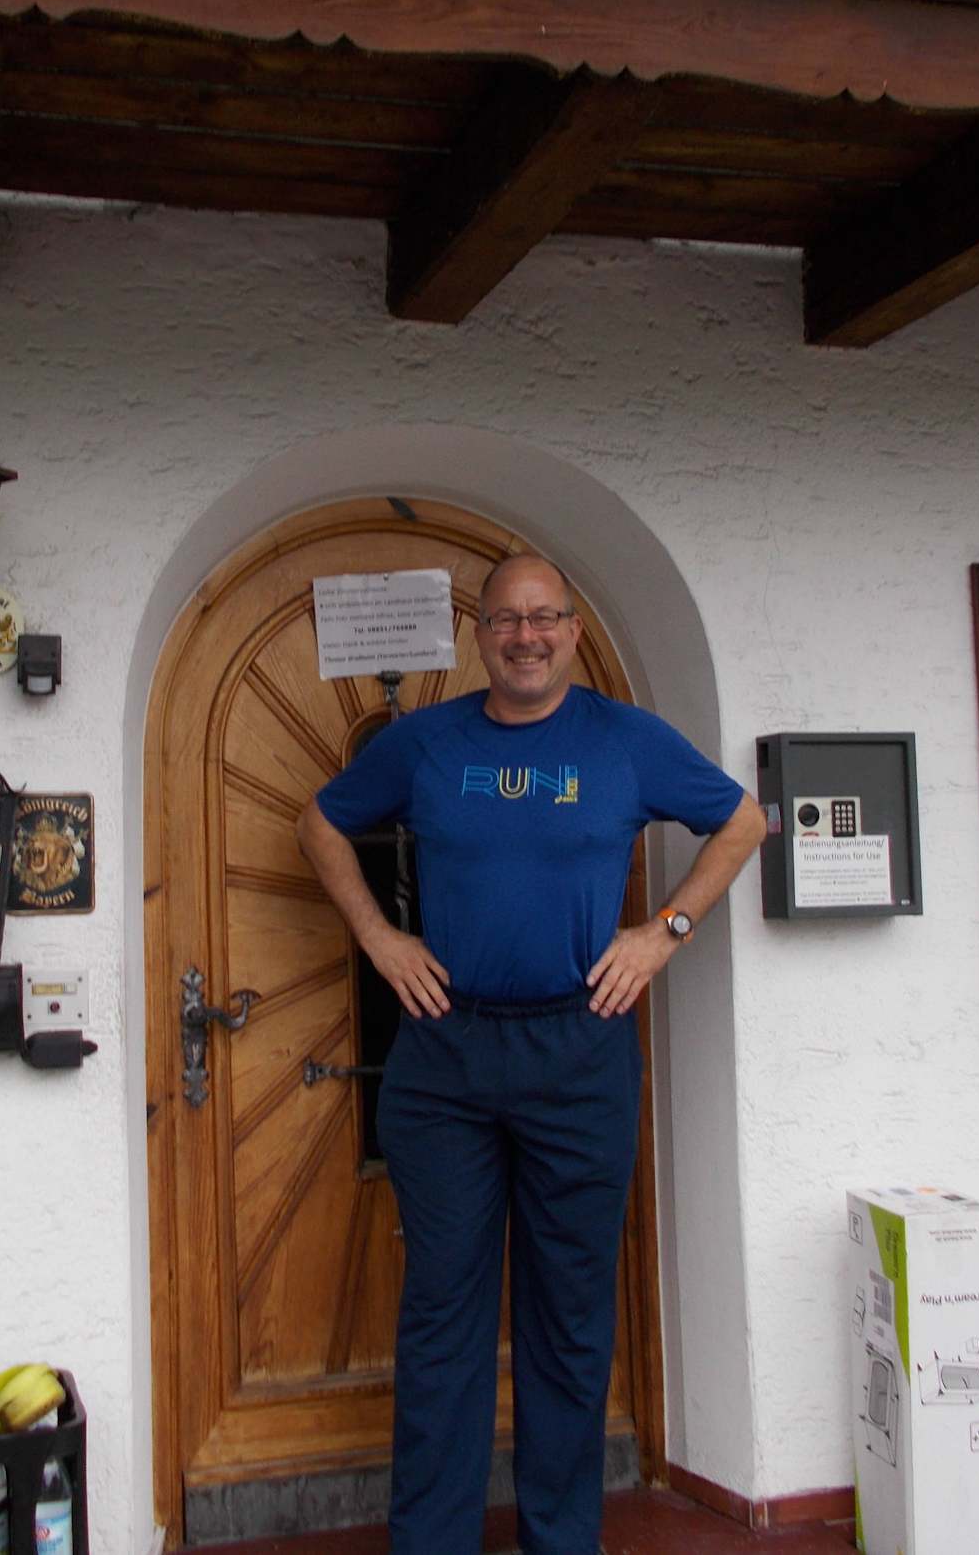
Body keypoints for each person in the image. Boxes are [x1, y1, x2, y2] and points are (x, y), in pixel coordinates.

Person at [296, 554, 767, 1555]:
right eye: (507, 620)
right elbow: (320, 822)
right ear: (479, 634)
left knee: (569, 1316)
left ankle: (562, 1539)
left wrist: (664, 933)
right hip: (447, 1058)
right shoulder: (427, 742)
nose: (526, 637)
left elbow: (743, 820)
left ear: (573, 632)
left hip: (579, 1052)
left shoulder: (626, 741)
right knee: (443, 1314)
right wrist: (380, 940)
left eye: (544, 618)